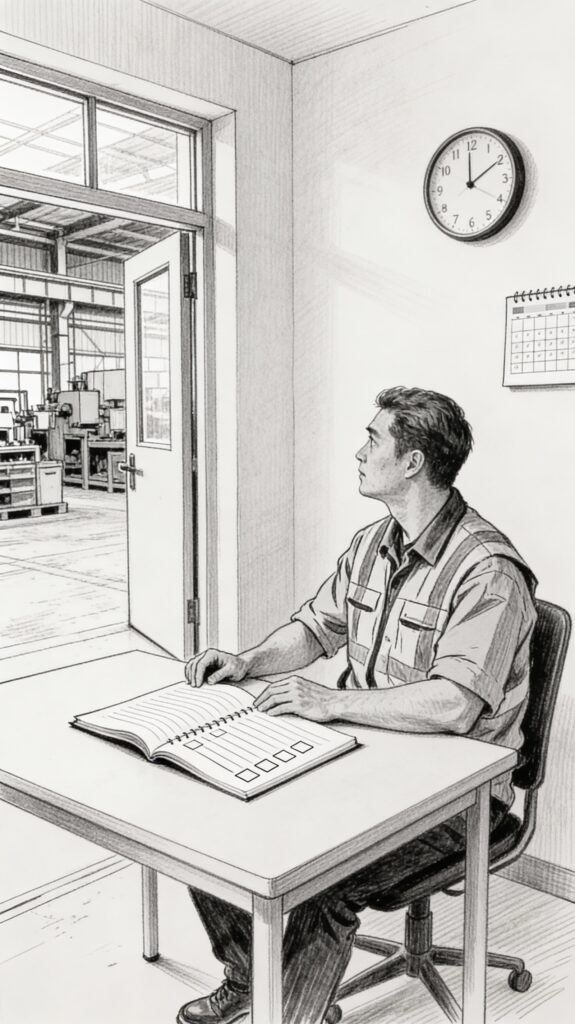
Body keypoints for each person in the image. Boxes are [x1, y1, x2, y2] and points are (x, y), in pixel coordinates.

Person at [177, 386, 536, 1024]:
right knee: (211, 826)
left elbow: (454, 706)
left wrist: (330, 704)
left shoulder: (489, 571)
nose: (358, 452)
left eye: (373, 441)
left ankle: (288, 1012)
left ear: (413, 462)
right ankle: (253, 979)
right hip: (368, 760)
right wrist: (248, 661)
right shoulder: (374, 543)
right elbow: (316, 628)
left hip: (458, 797)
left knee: (325, 880)